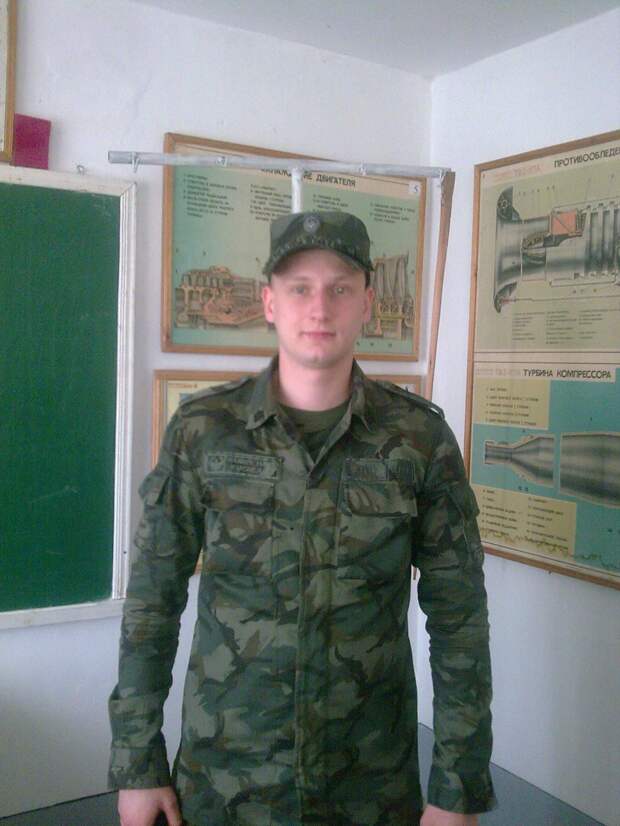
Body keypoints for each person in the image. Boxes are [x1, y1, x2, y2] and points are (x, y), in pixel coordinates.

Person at [109, 210, 495, 826]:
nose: (319, 308)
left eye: (340, 287)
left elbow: (460, 619)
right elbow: (153, 601)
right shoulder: (204, 431)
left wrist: (458, 787)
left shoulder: (419, 440)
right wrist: (137, 763)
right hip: (225, 783)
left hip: (369, 785)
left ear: (367, 303)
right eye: (299, 288)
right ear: (269, 302)